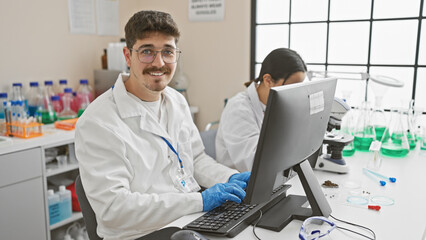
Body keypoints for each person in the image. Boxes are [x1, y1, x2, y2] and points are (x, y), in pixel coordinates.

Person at [75, 10, 250, 240]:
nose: (159, 63)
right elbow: (114, 210)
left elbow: (195, 159)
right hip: (141, 233)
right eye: (147, 52)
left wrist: (228, 177)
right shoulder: (98, 122)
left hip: (188, 218)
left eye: (167, 52)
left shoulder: (176, 100)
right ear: (128, 56)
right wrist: (200, 200)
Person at [215, 48, 307, 172]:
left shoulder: (275, 104)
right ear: (268, 80)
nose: (295, 94)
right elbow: (254, 163)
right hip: (240, 184)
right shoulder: (238, 109)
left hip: (271, 177)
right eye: (291, 87)